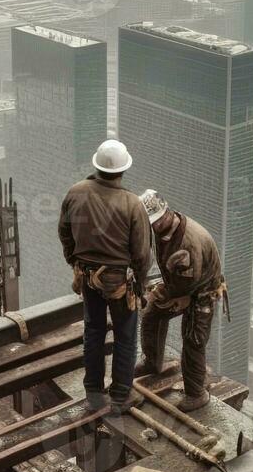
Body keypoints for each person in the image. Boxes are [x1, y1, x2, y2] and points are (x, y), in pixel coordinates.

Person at [58, 139, 152, 412]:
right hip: (119, 281)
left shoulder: (75, 192)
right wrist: (141, 285)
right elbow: (142, 255)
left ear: (96, 165)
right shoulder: (132, 204)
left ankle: (94, 394)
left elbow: (64, 233)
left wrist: (74, 262)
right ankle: (122, 395)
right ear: (123, 170)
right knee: (125, 335)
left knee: (94, 331)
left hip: (87, 276)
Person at [134, 190, 225, 412]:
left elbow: (189, 283)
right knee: (152, 314)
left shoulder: (188, 242)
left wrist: (167, 295)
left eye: (156, 221)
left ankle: (196, 394)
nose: (153, 226)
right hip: (178, 284)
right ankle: (153, 361)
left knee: (193, 339)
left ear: (166, 212)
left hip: (201, 291)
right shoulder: (163, 230)